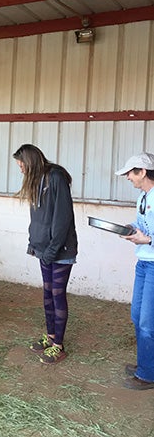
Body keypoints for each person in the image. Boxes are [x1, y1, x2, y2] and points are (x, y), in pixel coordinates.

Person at [13, 144, 77, 364]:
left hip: (60, 250)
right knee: (48, 294)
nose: (20, 169)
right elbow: (37, 217)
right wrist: (34, 242)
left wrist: (51, 250)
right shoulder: (36, 181)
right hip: (44, 249)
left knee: (58, 295)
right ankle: (50, 337)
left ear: (29, 161)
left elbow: (63, 217)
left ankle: (58, 346)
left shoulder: (56, 177)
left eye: (21, 164)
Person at [116, 152, 154, 390]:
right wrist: (131, 229)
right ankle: (146, 362)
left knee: (147, 322)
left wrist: (148, 240)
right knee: (137, 316)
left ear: (142, 171)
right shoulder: (143, 197)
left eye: (130, 173)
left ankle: (147, 374)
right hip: (143, 262)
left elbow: (149, 236)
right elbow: (142, 226)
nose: (128, 177)